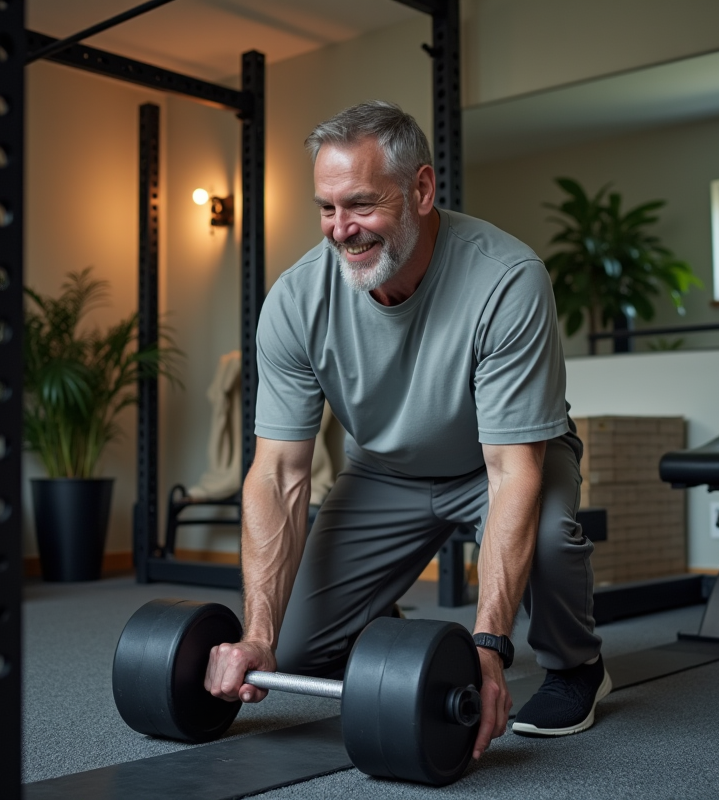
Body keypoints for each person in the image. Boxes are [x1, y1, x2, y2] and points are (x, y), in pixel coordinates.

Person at [204, 100, 607, 760]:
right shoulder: (297, 299)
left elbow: (513, 472)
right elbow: (278, 474)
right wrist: (257, 634)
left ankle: (577, 667)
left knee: (553, 538)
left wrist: (487, 646)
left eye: (360, 204)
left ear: (421, 189)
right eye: (326, 209)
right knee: (299, 652)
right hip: (384, 471)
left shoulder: (507, 279)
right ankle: (373, 619)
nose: (340, 230)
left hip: (499, 462)